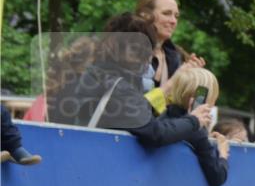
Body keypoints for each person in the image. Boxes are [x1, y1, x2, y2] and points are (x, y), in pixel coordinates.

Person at [65, 13, 214, 147]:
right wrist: (193, 121)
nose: (147, 57)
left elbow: (142, 116)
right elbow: (155, 133)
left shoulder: (98, 75)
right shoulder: (116, 85)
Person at [134, 0, 205, 112]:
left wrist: (198, 82)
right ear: (145, 15)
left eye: (176, 16)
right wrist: (176, 79)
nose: (173, 21)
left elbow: (172, 110)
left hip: (159, 128)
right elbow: (134, 109)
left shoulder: (177, 56)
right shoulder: (127, 53)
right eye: (166, 14)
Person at [164, 67, 229, 186]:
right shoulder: (196, 131)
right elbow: (217, 177)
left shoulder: (164, 117)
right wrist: (223, 154)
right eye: (213, 99)